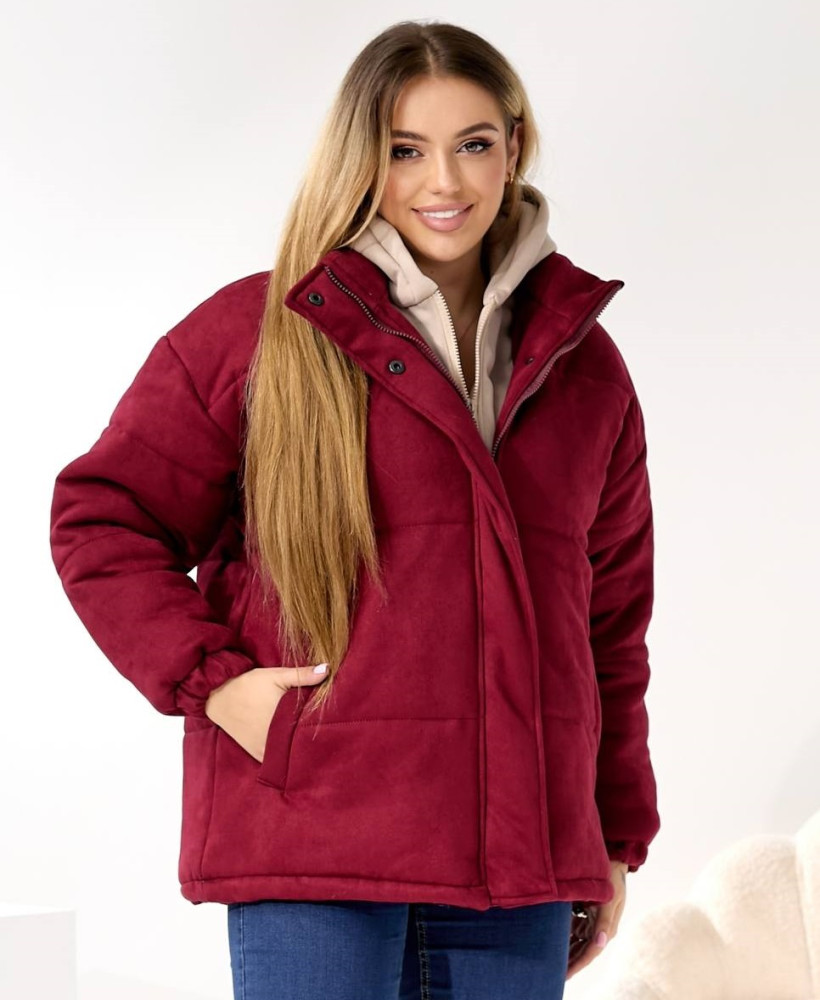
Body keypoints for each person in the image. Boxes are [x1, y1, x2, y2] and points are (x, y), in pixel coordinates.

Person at [49, 18, 660, 1000]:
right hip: (315, 842)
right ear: (361, 158)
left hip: (519, 865)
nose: (443, 181)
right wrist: (219, 685)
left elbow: (610, 625)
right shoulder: (262, 332)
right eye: (404, 150)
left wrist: (613, 833)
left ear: (513, 147)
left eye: (472, 144)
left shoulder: (583, 367)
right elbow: (103, 519)